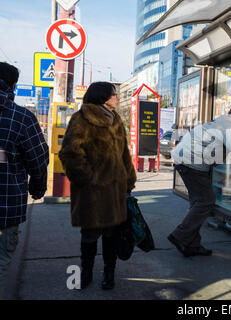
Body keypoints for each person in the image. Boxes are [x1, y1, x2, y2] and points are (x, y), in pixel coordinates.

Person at [59, 82, 136, 290]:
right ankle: (86, 273)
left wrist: (129, 178)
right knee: (90, 235)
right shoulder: (81, 119)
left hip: (115, 191)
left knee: (112, 235)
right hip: (91, 192)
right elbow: (69, 153)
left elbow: (124, 154)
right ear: (102, 97)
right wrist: (88, 178)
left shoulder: (117, 119)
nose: (117, 98)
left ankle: (109, 274)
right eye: (114, 94)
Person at [168, 102, 231, 257]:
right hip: (192, 163)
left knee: (197, 203)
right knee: (205, 201)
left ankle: (192, 244)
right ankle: (180, 235)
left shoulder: (222, 122)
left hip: (185, 160)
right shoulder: (228, 125)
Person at [0, 62, 49, 282]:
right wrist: (37, 188)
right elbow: (37, 161)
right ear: (12, 87)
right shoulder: (21, 117)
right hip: (5, 206)